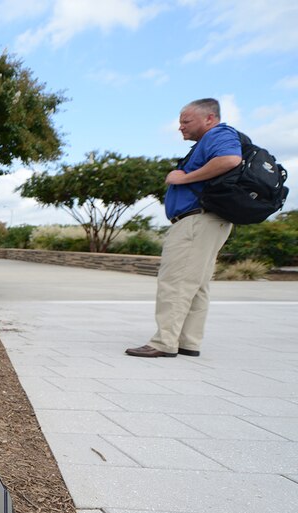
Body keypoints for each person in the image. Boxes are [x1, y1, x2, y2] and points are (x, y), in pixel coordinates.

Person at [125, 98, 242, 358]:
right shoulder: (210, 140)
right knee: (196, 285)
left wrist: (185, 177)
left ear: (209, 118)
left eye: (186, 121)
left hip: (196, 221)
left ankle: (164, 342)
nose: (180, 127)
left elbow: (230, 159)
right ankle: (188, 341)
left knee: (175, 282)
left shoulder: (219, 134)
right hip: (208, 221)